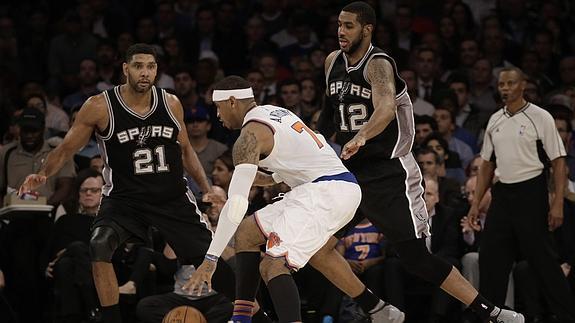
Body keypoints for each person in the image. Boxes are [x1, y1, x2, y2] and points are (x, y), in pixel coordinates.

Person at [317, 2, 523, 322]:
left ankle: (490, 312)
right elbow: (327, 118)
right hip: (349, 172)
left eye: (349, 26)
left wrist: (362, 136)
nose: (341, 32)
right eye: (339, 25)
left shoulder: (379, 64)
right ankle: (378, 309)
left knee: (415, 259)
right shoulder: (332, 62)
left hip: (389, 172)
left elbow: (385, 108)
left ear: (367, 29)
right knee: (316, 247)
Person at [18, 43, 235, 323]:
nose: (145, 73)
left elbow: (186, 152)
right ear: (125, 69)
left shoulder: (171, 103)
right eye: (138, 66)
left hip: (171, 197)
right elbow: (67, 148)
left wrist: (206, 190)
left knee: (214, 260)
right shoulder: (99, 106)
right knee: (99, 244)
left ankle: (254, 313)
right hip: (124, 199)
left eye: (151, 66)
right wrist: (44, 173)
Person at [183, 75, 403, 322]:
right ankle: (377, 309)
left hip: (325, 192)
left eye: (218, 107)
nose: (218, 115)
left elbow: (235, 205)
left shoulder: (248, 137)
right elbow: (300, 160)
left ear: (232, 102)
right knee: (247, 233)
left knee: (273, 265)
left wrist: (210, 259)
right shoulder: (276, 112)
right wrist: (266, 179)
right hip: (327, 186)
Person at [467, 67, 575, 321]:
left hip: (532, 190)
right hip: (502, 193)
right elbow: (486, 166)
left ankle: (567, 315)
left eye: (510, 83)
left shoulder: (541, 117)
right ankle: (492, 317)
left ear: (523, 85)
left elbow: (558, 162)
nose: (505, 88)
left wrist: (557, 203)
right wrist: (475, 204)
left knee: (543, 260)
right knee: (491, 258)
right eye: (501, 84)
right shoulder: (495, 120)